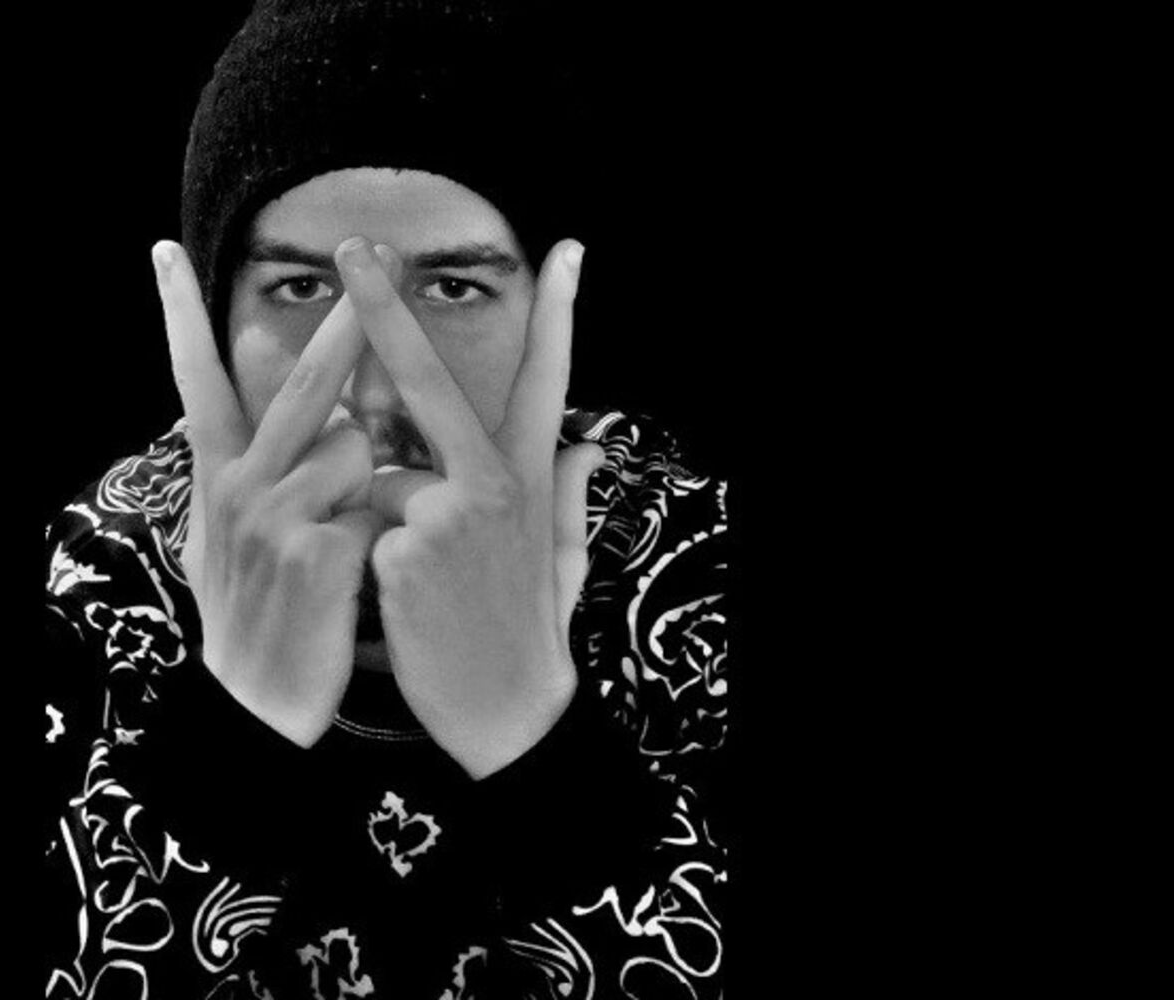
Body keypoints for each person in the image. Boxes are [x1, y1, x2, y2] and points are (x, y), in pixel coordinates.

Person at [41, 1, 727, 996]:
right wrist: (228, 747)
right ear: (217, 318)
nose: (373, 391)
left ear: (553, 319)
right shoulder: (97, 585)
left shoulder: (692, 567)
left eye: (452, 289)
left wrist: (539, 751)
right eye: (302, 288)